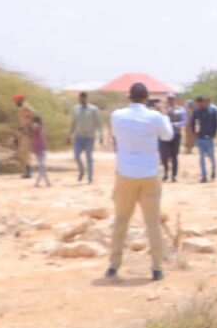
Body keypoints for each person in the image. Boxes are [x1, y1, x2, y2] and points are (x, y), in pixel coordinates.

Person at [106, 82, 172, 281]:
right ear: (146, 98)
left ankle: (113, 265)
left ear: (129, 97)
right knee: (152, 222)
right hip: (149, 174)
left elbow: (116, 135)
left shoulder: (117, 116)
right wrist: (164, 114)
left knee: (121, 221)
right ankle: (156, 267)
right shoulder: (155, 117)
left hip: (125, 173)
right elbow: (168, 135)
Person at [69, 91, 103, 183]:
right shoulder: (75, 109)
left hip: (89, 137)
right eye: (79, 98)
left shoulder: (93, 109)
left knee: (89, 157)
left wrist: (101, 135)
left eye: (82, 98)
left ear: (85, 98)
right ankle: (82, 171)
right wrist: (69, 134)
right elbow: (73, 123)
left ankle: (90, 177)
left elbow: (99, 123)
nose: (81, 100)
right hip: (78, 137)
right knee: (76, 156)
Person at [189, 96, 217, 182]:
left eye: (200, 103)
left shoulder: (212, 111)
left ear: (203, 102)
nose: (199, 105)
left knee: (211, 156)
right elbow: (192, 123)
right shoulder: (196, 112)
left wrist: (214, 134)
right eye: (197, 103)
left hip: (209, 138)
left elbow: (216, 124)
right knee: (201, 158)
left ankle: (213, 169)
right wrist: (194, 133)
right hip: (200, 138)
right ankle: (204, 177)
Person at [160, 94, 185, 182]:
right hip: (165, 135)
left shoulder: (180, 110)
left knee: (174, 156)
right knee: (164, 156)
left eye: (172, 99)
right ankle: (165, 173)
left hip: (176, 134)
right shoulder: (163, 109)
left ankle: (174, 175)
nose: (170, 100)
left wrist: (175, 124)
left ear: (175, 99)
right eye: (169, 99)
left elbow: (184, 121)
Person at [13, 93, 36, 178]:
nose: (15, 102)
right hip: (22, 132)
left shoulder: (26, 107)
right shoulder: (21, 108)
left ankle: (28, 171)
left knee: (24, 151)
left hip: (27, 133)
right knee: (21, 152)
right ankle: (26, 170)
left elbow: (34, 114)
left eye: (16, 100)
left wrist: (30, 125)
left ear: (20, 100)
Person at [29, 115, 52, 187]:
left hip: (42, 149)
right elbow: (34, 127)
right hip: (38, 149)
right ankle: (45, 182)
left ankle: (41, 182)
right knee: (42, 165)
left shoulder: (42, 128)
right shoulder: (36, 127)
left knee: (42, 166)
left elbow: (45, 137)